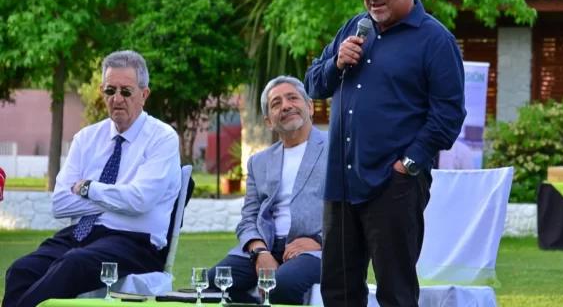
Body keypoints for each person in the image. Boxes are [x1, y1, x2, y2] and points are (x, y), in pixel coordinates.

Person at [304, 0, 467, 307]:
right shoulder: (354, 27)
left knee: (396, 293)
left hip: (393, 188)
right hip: (341, 184)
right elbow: (313, 84)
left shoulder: (435, 41)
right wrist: (336, 62)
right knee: (338, 293)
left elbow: (449, 115)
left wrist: (407, 165)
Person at [3, 50, 182, 307]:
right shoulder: (86, 138)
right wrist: (118, 197)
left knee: (72, 264)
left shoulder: (162, 138)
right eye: (110, 90)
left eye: (126, 91)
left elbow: (140, 200)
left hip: (134, 243)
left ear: (144, 95)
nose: (117, 99)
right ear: (102, 91)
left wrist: (89, 188)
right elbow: (60, 203)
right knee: (21, 270)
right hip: (80, 235)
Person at [205, 76, 326, 305]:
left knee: (282, 285)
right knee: (213, 284)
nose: (286, 106)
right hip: (267, 246)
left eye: (292, 98)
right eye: (276, 103)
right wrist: (259, 252)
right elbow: (249, 218)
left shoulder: (336, 149)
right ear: (269, 121)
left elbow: (353, 207)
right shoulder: (259, 162)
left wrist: (321, 241)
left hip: (314, 248)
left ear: (309, 106)